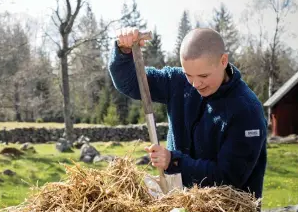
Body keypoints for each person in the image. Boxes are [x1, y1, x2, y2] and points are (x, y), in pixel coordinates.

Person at [109, 27, 267, 199]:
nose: (195, 84)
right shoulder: (177, 82)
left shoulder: (247, 110)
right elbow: (132, 82)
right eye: (188, 75)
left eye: (204, 76)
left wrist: (174, 161)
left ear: (223, 61)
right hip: (179, 206)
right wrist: (124, 52)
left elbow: (229, 178)